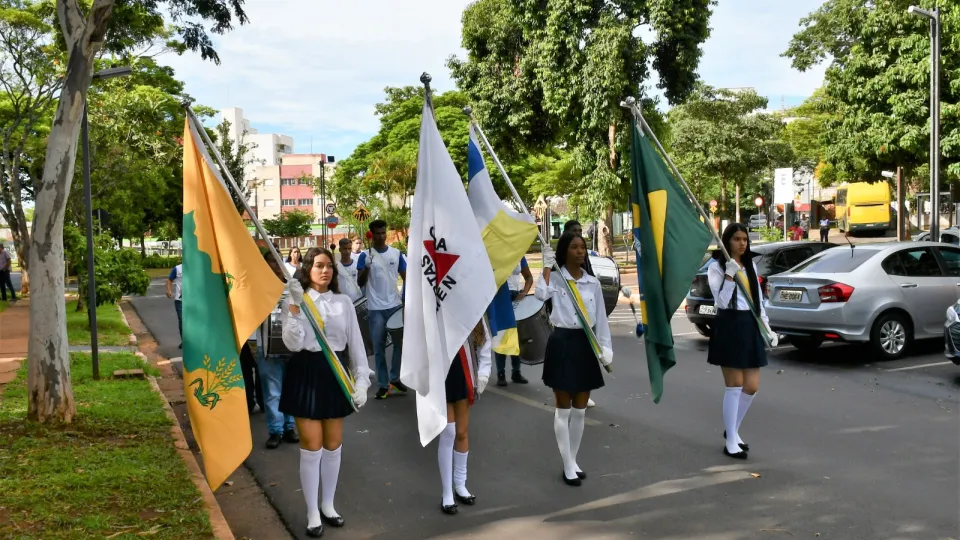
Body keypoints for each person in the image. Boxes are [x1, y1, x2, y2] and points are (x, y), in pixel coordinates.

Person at [280, 247, 372, 537]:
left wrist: (362, 381)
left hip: (334, 373)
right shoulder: (296, 299)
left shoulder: (344, 301)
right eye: (319, 265)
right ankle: (311, 513)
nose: (325, 270)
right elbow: (292, 344)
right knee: (312, 446)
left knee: (333, 444)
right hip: (305, 373)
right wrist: (294, 308)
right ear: (307, 269)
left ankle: (328, 504)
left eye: (329, 266)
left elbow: (356, 344)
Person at [537, 233, 613, 486]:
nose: (580, 251)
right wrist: (547, 265)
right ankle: (568, 464)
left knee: (580, 410)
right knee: (563, 408)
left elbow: (600, 320)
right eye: (574, 247)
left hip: (584, 345)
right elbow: (539, 295)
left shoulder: (593, 283)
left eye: (583, 247)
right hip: (562, 343)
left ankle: (573, 459)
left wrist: (605, 348)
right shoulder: (557, 279)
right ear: (565, 251)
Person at [706, 223, 776, 460]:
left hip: (749, 325)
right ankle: (731, 441)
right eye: (736, 239)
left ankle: (732, 430)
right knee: (734, 385)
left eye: (744, 239)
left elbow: (758, 301)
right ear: (727, 242)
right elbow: (722, 302)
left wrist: (767, 328)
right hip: (729, 324)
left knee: (752, 386)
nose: (742, 243)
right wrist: (729, 274)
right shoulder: (716, 268)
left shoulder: (751, 266)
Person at [438, 321, 492, 515]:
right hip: (441, 373)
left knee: (461, 432)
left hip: (463, 372)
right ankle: (447, 493)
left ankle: (460, 485)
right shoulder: (438, 300)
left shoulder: (472, 303)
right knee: (448, 432)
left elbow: (484, 342)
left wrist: (484, 374)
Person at [357, 219, 408, 400]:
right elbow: (360, 283)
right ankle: (383, 384)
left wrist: (406, 299)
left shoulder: (396, 254)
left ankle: (395, 378)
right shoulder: (365, 256)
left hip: (394, 306)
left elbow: (406, 277)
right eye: (377, 233)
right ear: (371, 234)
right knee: (378, 347)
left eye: (383, 233)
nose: (380, 236)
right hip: (375, 308)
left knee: (399, 345)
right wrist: (366, 269)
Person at [258, 252, 299, 449]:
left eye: (277, 260)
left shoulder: (291, 285)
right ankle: (276, 430)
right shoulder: (257, 287)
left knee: (289, 388)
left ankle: (290, 427)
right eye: (270, 261)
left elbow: (299, 312)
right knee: (273, 392)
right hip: (267, 347)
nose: (275, 265)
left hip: (290, 346)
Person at [560, 220, 598, 408]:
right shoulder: (557, 265)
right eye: (575, 231)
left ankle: (581, 391)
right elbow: (544, 292)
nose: (580, 250)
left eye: (581, 232)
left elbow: (589, 272)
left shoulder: (583, 259)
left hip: (584, 314)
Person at [495, 256, 533, 386]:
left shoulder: (519, 254)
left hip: (517, 297)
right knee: (502, 335)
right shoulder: (496, 253)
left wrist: (525, 292)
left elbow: (529, 277)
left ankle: (516, 372)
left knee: (516, 336)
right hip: (501, 298)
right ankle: (501, 373)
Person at [337, 238, 363, 303]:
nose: (347, 251)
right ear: (340, 250)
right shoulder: (336, 267)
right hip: (343, 303)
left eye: (349, 248)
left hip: (357, 301)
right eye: (345, 249)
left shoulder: (357, 265)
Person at [165, 263, 183, 349]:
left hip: (194, 300)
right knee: (182, 320)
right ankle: (184, 341)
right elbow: (170, 280)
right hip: (180, 300)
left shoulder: (197, 268)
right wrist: (168, 290)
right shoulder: (178, 268)